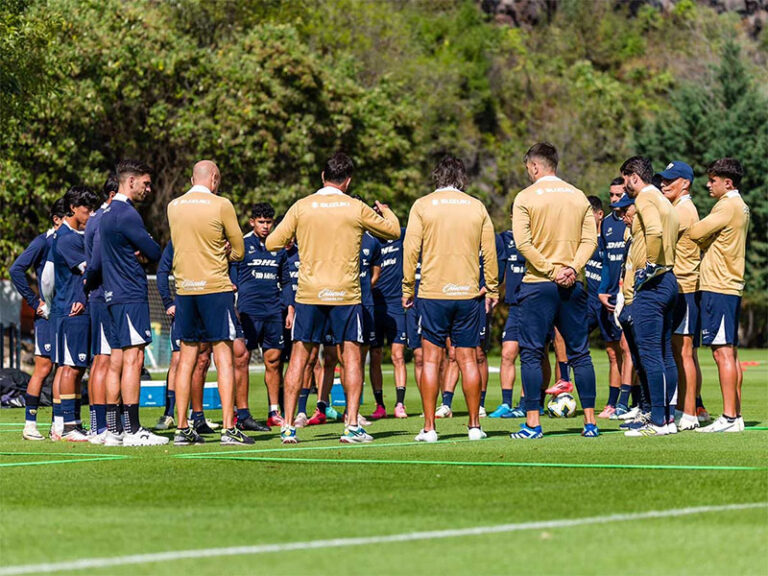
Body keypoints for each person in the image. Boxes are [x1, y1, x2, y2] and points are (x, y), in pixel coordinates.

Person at [265, 152, 400, 444]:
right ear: (348, 181)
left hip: (310, 293)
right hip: (345, 294)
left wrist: (296, 236)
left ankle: (288, 427)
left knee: (299, 358)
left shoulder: (302, 206)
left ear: (322, 177)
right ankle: (352, 426)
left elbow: (272, 242)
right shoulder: (355, 207)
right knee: (351, 357)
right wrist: (386, 210)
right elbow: (393, 231)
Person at [402, 155, 499, 442]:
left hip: (433, 293)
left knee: (431, 361)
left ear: (437, 177)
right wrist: (492, 288)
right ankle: (474, 427)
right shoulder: (476, 206)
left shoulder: (422, 205)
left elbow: (411, 250)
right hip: (467, 293)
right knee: (468, 360)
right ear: (461, 178)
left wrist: (407, 287)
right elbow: (489, 252)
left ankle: (430, 428)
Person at [510, 142, 598, 439]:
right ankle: (590, 423)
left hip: (538, 284)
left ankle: (533, 424)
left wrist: (551, 271)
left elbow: (523, 244)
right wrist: (571, 268)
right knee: (580, 354)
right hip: (573, 284)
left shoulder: (525, 197)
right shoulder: (578, 196)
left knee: (532, 354)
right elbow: (591, 241)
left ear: (535, 166)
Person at [167, 160, 248, 446]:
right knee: (223, 357)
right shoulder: (221, 204)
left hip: (185, 289)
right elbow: (239, 248)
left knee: (186, 360)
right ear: (214, 178)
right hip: (215, 288)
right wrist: (226, 252)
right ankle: (228, 428)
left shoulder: (173, 206)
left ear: (192, 179)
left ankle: (181, 427)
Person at [97, 160, 167, 446]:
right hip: (129, 293)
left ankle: (114, 430)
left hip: (112, 294)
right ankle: (134, 429)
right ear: (130, 181)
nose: (148, 189)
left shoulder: (105, 214)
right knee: (133, 360)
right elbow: (155, 250)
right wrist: (144, 252)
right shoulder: (126, 214)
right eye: (146, 183)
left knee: (117, 361)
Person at [620, 156, 679, 438]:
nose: (624, 186)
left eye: (624, 179)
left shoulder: (645, 197)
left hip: (653, 282)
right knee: (666, 354)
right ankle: (667, 418)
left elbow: (653, 231)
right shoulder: (664, 199)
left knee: (650, 354)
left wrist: (649, 265)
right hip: (669, 279)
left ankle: (657, 421)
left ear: (634, 176)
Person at [689, 158, 750, 433]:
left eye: (713, 180)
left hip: (719, 285)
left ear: (728, 182)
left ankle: (728, 417)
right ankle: (735, 416)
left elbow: (695, 232)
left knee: (722, 353)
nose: (707, 184)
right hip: (728, 285)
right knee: (731, 354)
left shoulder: (727, 205)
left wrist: (704, 237)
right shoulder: (739, 205)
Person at [41, 186, 101, 441]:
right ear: (74, 209)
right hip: (72, 311)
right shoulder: (65, 238)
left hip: (76, 309)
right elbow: (89, 269)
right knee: (70, 368)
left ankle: (70, 424)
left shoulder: (76, 234)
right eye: (88, 209)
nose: (91, 214)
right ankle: (67, 427)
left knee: (75, 368)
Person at [10, 198, 67, 440]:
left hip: (65, 314)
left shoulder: (71, 241)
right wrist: (35, 303)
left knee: (64, 368)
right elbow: (16, 270)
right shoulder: (43, 241)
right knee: (43, 368)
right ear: (57, 219)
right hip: (47, 317)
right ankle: (30, 425)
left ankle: (60, 425)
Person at [230, 202, 287, 432]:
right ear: (252, 222)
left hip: (273, 312)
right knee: (241, 360)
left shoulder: (278, 246)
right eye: (261, 222)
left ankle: (274, 411)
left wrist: (289, 308)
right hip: (246, 312)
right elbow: (231, 280)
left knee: (273, 361)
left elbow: (287, 281)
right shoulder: (241, 245)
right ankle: (240, 413)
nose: (265, 226)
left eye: (268, 222)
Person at [658, 161, 704, 431]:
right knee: (682, 351)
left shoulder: (683, 210)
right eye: (663, 180)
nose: (664, 184)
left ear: (685, 183)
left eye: (670, 180)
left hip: (685, 288)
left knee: (683, 351)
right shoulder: (678, 208)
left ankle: (688, 413)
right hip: (681, 287)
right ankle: (687, 409)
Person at [154, 242, 218, 434]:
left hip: (207, 306)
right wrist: (167, 302)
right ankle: (169, 414)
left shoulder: (210, 236)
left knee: (203, 360)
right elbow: (162, 272)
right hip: (185, 309)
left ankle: (195, 414)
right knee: (179, 359)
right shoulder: (176, 242)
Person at [83, 175, 118, 444]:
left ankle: (99, 426)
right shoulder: (105, 218)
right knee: (105, 360)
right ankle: (104, 427)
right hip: (105, 295)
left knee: (100, 359)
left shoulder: (95, 219)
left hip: (99, 294)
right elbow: (97, 260)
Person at [584, 195, 626, 418]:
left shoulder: (615, 233)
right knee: (562, 337)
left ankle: (617, 401)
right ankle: (562, 388)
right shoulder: (584, 240)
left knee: (617, 351)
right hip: (589, 302)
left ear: (599, 215)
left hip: (610, 300)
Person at [597, 178, 635, 418]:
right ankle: (613, 402)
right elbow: (604, 261)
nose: (614, 199)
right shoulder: (606, 224)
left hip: (628, 293)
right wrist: (602, 289)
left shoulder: (633, 222)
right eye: (611, 195)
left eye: (618, 195)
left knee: (628, 347)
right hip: (609, 295)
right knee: (613, 352)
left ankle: (626, 401)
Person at [369, 226, 409, 420]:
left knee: (397, 355)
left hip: (395, 304)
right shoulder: (369, 240)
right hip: (374, 304)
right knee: (375, 355)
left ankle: (400, 404)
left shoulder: (399, 235)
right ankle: (380, 405)